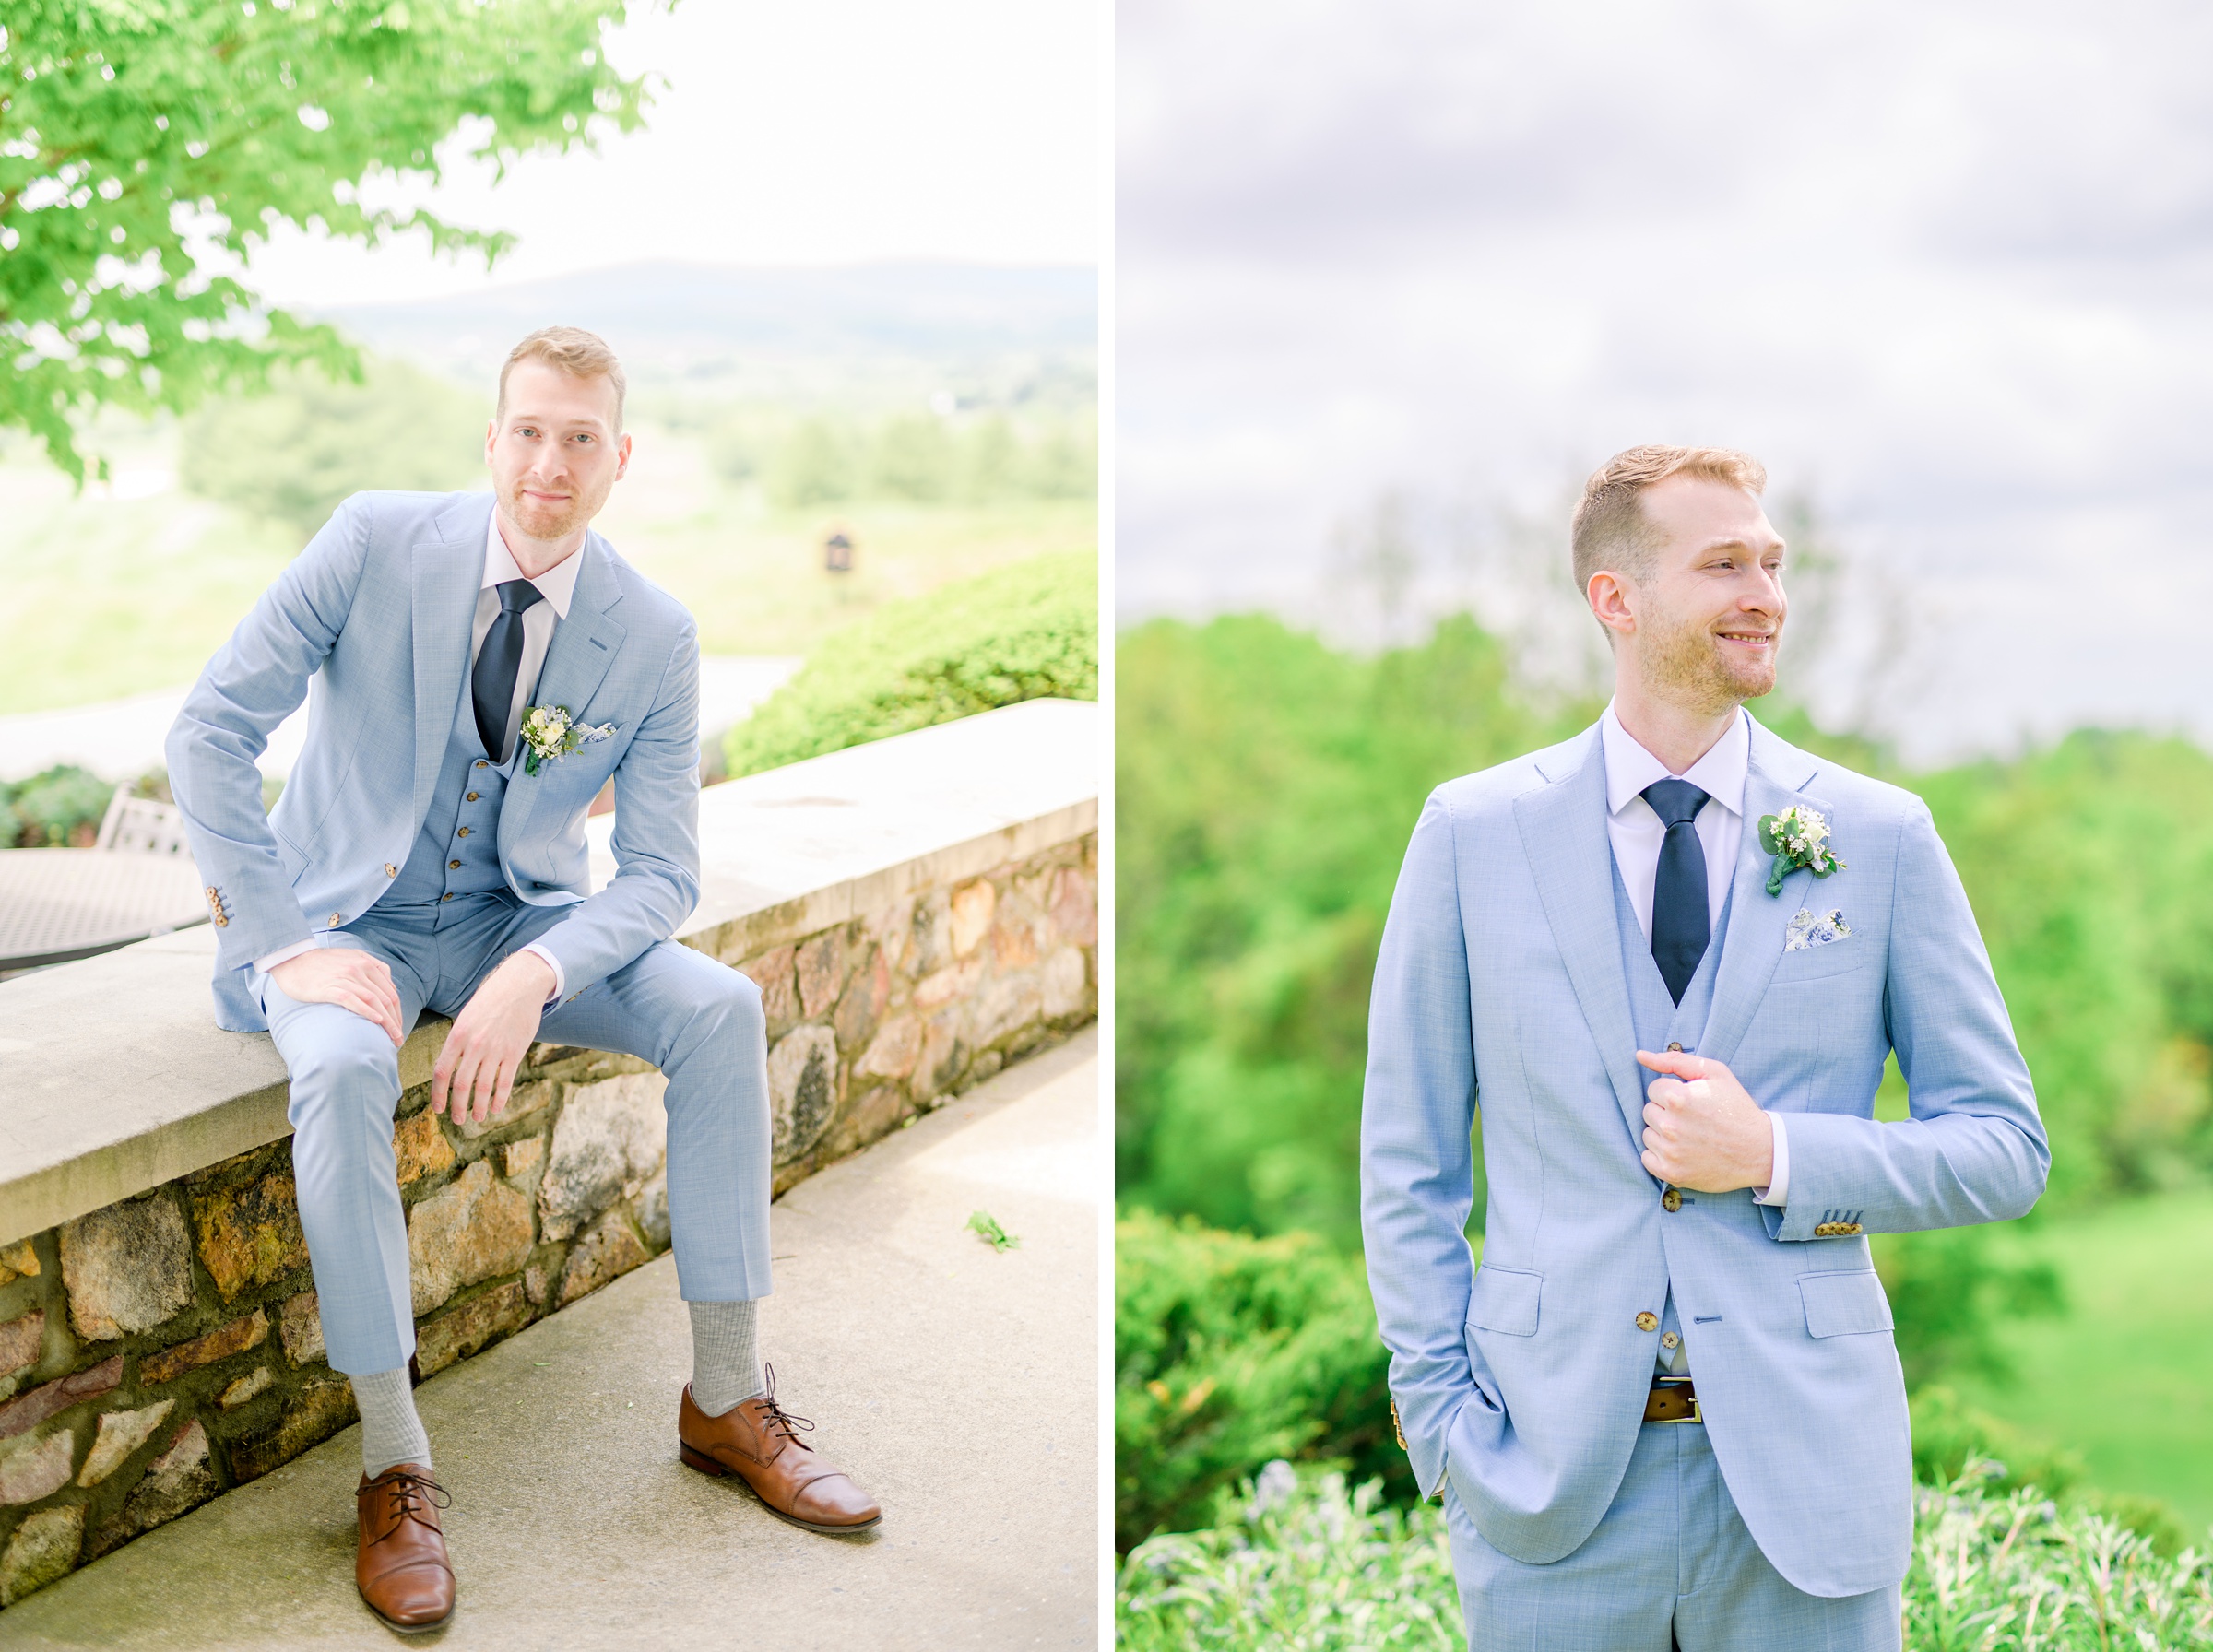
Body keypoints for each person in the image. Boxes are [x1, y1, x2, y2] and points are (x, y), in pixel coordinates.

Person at [166, 327, 881, 1634]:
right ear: (493, 440)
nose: (551, 461)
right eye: (530, 431)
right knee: (334, 1072)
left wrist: (539, 968)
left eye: (581, 438)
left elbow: (662, 872)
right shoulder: (373, 541)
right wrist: (284, 941)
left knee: (719, 1007)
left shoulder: (653, 633)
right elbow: (207, 733)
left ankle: (726, 1397)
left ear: (622, 458)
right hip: (343, 926)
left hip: (517, 922)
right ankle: (394, 1462)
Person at [1359, 445, 2048, 1650]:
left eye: (1773, 564)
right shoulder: (1472, 834)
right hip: (1547, 1489)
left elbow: (2004, 1149)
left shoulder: (1880, 837)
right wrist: (1440, 1419)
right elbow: (1406, 1159)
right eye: (1724, 564)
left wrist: (1775, 1152)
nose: (1766, 595)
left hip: (1805, 1485)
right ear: (1615, 600)